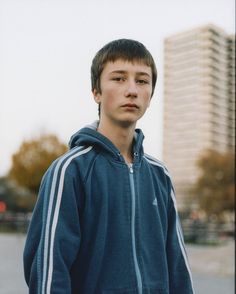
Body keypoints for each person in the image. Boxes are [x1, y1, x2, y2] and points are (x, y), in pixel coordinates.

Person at [23, 39, 195, 294]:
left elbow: (178, 267)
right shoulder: (70, 171)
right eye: (118, 78)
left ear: (150, 95)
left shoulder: (159, 175)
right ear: (97, 92)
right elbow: (49, 271)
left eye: (142, 80)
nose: (132, 90)